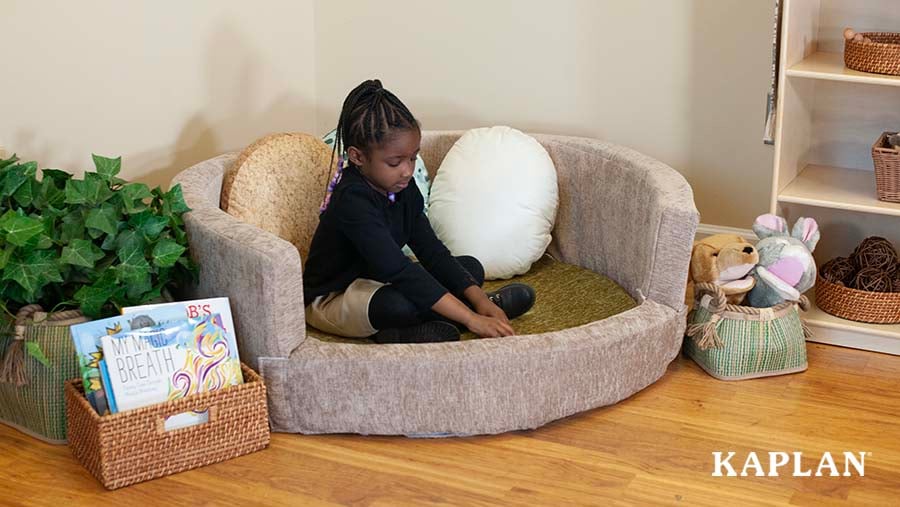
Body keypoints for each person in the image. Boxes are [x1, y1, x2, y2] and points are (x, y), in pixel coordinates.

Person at [303, 79, 535, 344]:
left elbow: (432, 252)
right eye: (395, 162)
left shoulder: (402, 187)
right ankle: (412, 328)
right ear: (357, 157)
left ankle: (436, 321)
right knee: (397, 304)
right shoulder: (352, 201)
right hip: (337, 295)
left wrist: (481, 302)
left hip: (381, 279)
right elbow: (399, 270)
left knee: (470, 268)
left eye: (413, 157)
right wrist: (473, 319)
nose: (408, 170)